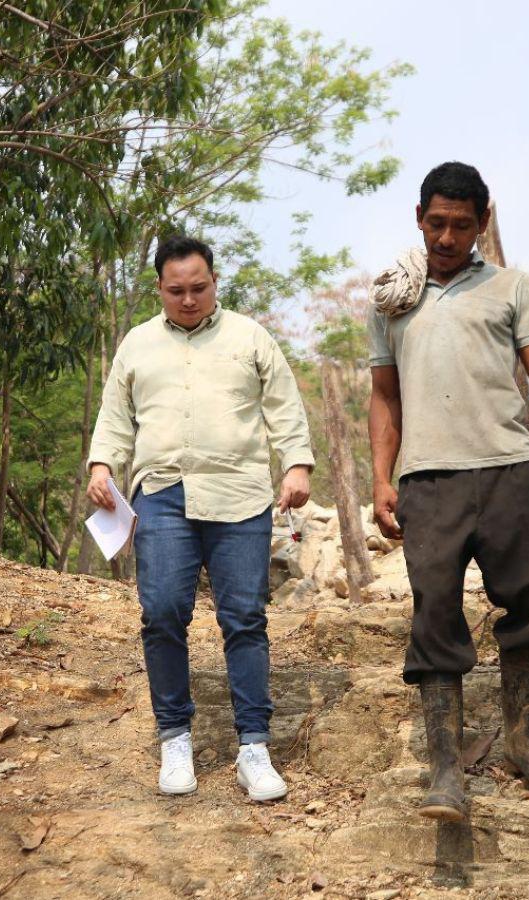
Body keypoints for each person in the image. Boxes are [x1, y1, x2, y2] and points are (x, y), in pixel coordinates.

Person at [367, 162, 529, 821]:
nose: (446, 236)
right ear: (418, 218)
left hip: (509, 470)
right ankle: (445, 769)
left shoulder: (513, 287)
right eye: (436, 223)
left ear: (482, 223)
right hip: (427, 480)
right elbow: (384, 398)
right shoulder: (393, 299)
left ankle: (525, 742)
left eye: (461, 225)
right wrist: (382, 477)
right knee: (434, 612)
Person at [87, 234, 314, 801]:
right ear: (159, 289)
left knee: (244, 617)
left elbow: (284, 406)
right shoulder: (137, 345)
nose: (189, 300)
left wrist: (297, 467)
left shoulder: (250, 337)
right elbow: (116, 414)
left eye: (199, 288)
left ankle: (254, 748)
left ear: (215, 282)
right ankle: (175, 740)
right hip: (162, 491)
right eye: (176, 291)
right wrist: (101, 464)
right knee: (162, 611)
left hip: (239, 492)